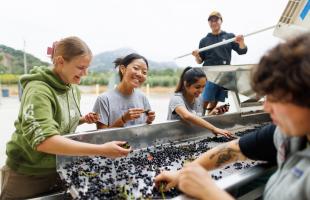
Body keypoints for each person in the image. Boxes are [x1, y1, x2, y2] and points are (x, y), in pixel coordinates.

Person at [155, 33, 310, 200]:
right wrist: (183, 173)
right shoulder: (286, 135)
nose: (265, 106)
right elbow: (235, 148)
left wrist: (209, 192)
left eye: (275, 97)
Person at [0, 36, 131, 200]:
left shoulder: (72, 88)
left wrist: (81, 119)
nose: (85, 73)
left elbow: (60, 122)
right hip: (27, 172)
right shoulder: (38, 91)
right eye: (81, 67)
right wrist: (102, 150)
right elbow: (44, 140)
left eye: (87, 67)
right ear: (60, 61)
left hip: (59, 167)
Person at [192, 11, 248, 112]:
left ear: (221, 21)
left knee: (216, 100)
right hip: (209, 74)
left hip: (224, 73)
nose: (214, 22)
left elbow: (242, 51)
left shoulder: (229, 37)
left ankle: (210, 119)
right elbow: (200, 61)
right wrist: (196, 56)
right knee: (206, 99)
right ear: (208, 23)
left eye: (216, 20)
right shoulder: (204, 40)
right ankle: (199, 117)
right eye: (211, 20)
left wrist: (241, 42)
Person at [93, 53, 155, 129]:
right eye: (136, 68)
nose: (140, 74)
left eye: (144, 72)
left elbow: (144, 129)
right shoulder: (104, 99)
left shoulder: (142, 97)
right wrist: (123, 119)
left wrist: (149, 120)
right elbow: (101, 136)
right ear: (122, 69)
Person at [167, 67, 233, 138]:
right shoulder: (176, 99)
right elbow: (187, 116)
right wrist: (214, 128)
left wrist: (212, 113)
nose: (201, 91)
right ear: (186, 84)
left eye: (203, 86)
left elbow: (199, 120)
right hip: (174, 139)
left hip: (193, 137)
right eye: (197, 87)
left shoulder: (200, 99)